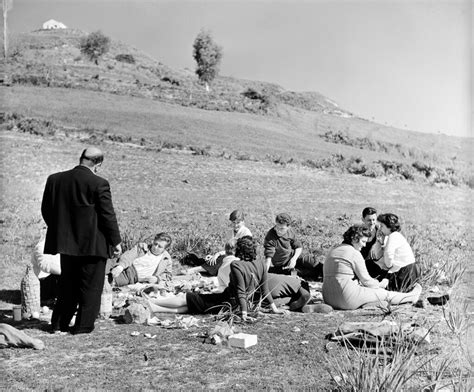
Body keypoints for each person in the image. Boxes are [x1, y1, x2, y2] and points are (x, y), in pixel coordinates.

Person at [41, 147, 122, 334]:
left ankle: (59, 324)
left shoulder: (55, 179)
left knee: (67, 285)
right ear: (98, 164)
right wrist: (115, 241)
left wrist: (61, 232)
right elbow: (107, 215)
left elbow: (47, 210)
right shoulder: (99, 183)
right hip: (93, 245)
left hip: (66, 245)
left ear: (81, 159)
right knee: (91, 288)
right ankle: (83, 326)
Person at [147, 237, 288, 321]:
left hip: (228, 301)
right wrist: (274, 308)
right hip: (236, 305)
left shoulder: (237, 264)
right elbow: (265, 288)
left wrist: (243, 313)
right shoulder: (261, 264)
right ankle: (154, 306)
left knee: (189, 298)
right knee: (194, 305)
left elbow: (240, 291)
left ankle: (154, 302)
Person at [322, 224, 422, 310]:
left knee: (368, 293)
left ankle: (370, 303)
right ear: (354, 239)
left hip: (328, 298)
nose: (364, 246)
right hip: (345, 298)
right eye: (363, 241)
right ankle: (410, 297)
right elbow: (367, 281)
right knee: (384, 294)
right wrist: (380, 284)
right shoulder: (354, 253)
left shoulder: (333, 250)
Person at [181, 209, 252, 276]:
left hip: (241, 257)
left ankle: (197, 269)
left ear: (243, 222)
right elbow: (228, 248)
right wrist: (216, 255)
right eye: (233, 223)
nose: (235, 225)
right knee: (215, 258)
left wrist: (220, 254)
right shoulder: (230, 232)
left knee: (224, 259)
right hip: (231, 254)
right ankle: (203, 266)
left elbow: (245, 251)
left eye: (238, 223)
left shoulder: (246, 233)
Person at [264, 213, 322, 280]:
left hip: (293, 256)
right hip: (282, 264)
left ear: (288, 227)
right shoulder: (270, 236)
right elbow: (268, 257)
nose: (278, 230)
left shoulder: (290, 232)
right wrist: (264, 275)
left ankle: (328, 273)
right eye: (277, 227)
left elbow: (298, 247)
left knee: (312, 262)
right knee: (306, 273)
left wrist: (293, 259)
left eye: (282, 228)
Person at [374, 213, 421, 291]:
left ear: (389, 227)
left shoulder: (393, 236)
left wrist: (388, 266)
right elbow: (378, 255)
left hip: (405, 272)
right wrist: (380, 242)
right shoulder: (393, 236)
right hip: (407, 271)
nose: (380, 228)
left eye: (382, 226)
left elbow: (388, 254)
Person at [31, 227, 61, 302]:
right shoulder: (41, 247)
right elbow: (44, 265)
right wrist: (64, 272)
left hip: (54, 277)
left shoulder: (60, 244)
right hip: (43, 281)